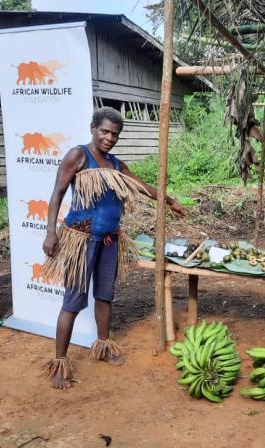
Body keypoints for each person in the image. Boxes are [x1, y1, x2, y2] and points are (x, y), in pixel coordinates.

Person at [41, 107, 185, 389]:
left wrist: (169, 200)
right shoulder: (78, 156)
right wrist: (50, 233)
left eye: (115, 134)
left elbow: (141, 186)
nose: (109, 138)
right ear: (93, 127)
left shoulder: (116, 164)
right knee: (72, 302)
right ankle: (60, 363)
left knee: (105, 296)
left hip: (109, 241)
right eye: (105, 131)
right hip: (79, 241)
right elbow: (57, 193)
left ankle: (104, 346)